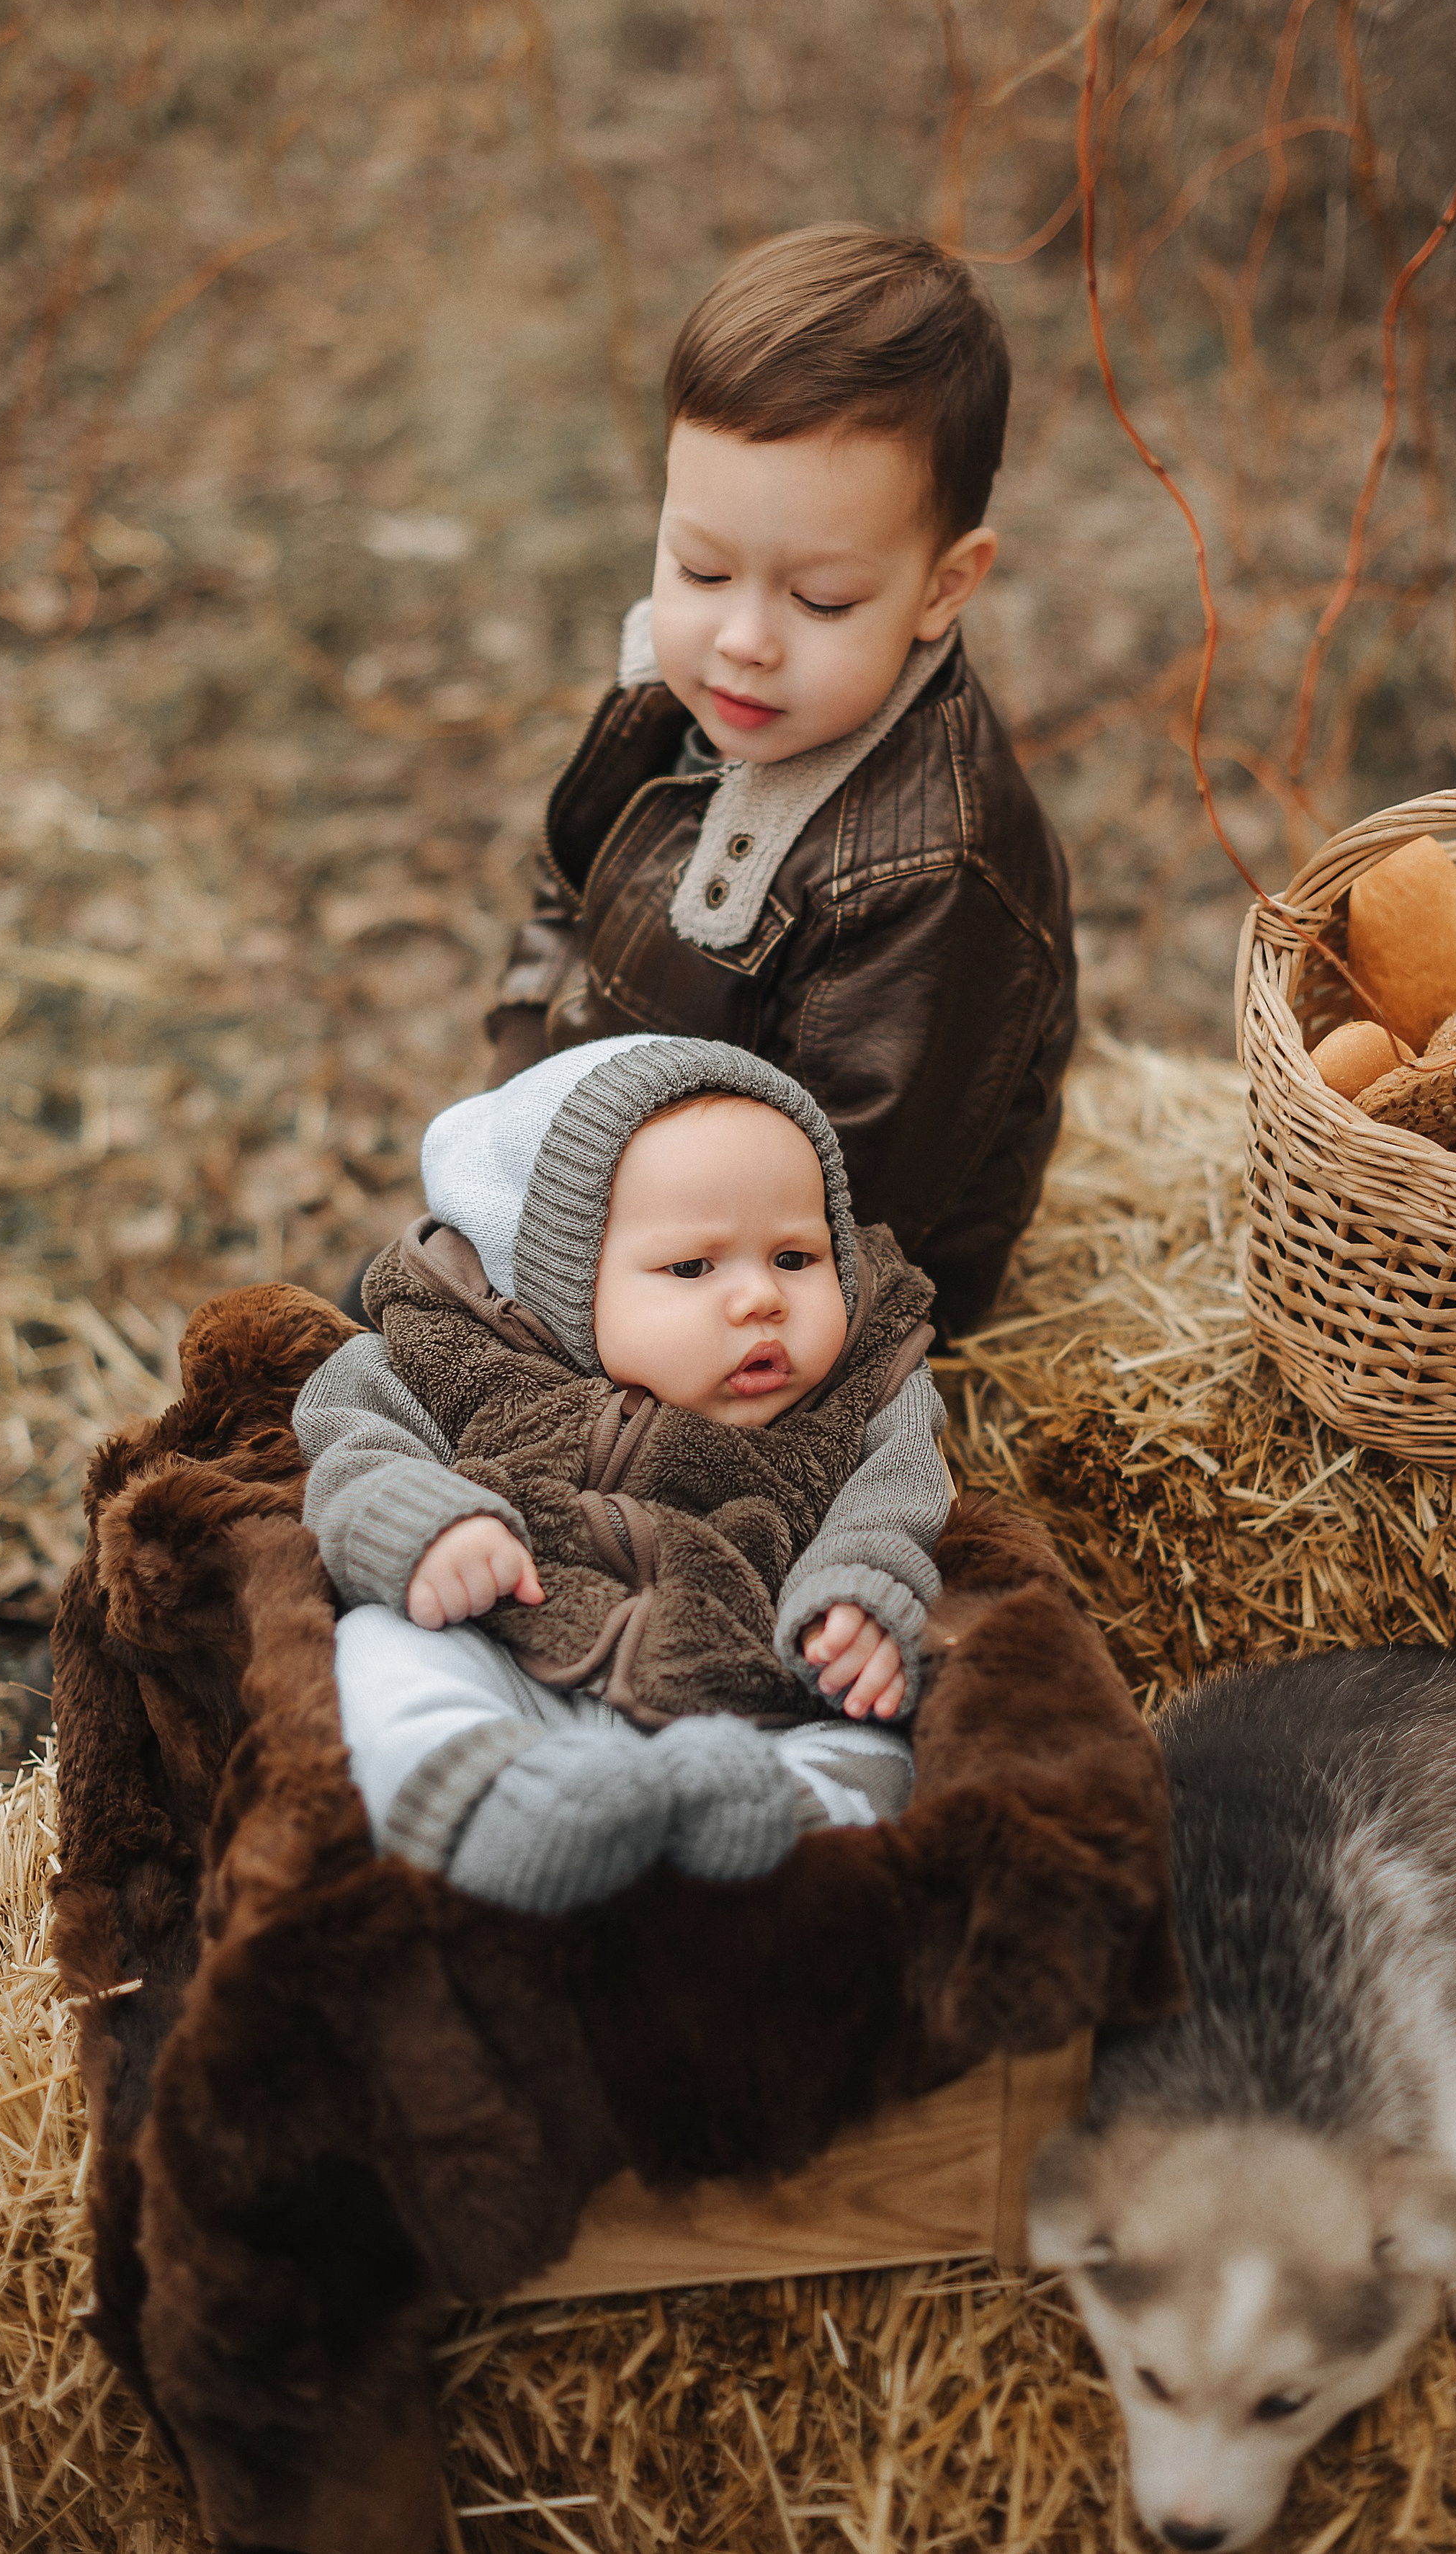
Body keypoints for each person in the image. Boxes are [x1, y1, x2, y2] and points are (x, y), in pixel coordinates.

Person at [483, 223, 1076, 1341]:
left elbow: (850, 1226)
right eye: (700, 568)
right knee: (353, 1353)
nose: (743, 639)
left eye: (823, 601)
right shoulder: (682, 682)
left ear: (946, 586)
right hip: (607, 1183)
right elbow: (565, 891)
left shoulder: (934, 872)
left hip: (778, 1306)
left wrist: (588, 1279)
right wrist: (514, 1094)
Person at [299, 1034, 952, 1914]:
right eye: (692, 1267)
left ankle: (770, 1838)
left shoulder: (864, 1390)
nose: (762, 1298)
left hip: (748, 1703)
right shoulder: (457, 1357)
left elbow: (902, 1494)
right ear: (559, 1282)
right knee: (383, 1649)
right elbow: (351, 1433)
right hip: (519, 1661)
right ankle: (487, 1810)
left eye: (796, 1258)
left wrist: (861, 1595)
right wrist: (428, 1523)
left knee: (881, 1741)